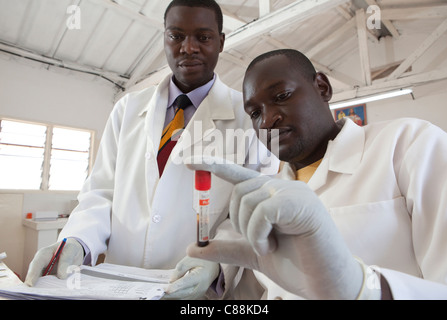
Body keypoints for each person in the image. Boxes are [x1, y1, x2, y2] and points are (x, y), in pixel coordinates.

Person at [24, 0, 278, 300]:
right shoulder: (127, 109)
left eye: (203, 37)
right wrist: (78, 241)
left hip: (196, 291)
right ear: (164, 38)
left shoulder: (250, 116)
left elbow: (253, 207)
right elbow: (100, 193)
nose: (188, 48)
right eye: (176, 35)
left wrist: (217, 260)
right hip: (118, 283)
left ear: (221, 42)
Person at [185, 49, 447, 300]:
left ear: (322, 87)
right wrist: (213, 274)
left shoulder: (408, 145)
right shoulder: (270, 193)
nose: (266, 121)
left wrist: (362, 288)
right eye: (255, 113)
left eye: (281, 96)